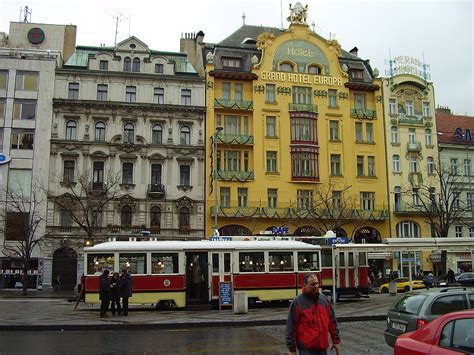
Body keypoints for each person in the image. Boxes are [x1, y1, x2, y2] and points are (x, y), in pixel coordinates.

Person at [285, 272, 340, 355]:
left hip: (322, 347)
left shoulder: (324, 300)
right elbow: (291, 327)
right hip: (306, 349)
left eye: (317, 283)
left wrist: (336, 341)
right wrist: (292, 349)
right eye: (312, 284)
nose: (316, 286)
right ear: (305, 285)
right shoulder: (297, 303)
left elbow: (332, 322)